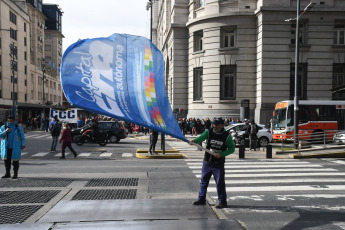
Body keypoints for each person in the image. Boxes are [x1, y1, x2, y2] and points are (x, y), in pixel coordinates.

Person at [189, 117, 235, 209]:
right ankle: (201, 199)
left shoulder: (227, 136)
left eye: (217, 124)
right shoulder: (209, 132)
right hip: (207, 161)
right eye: (214, 124)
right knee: (203, 181)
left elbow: (232, 149)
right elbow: (201, 138)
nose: (215, 126)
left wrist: (221, 154)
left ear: (222, 125)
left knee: (220, 183)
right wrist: (194, 141)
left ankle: (222, 202)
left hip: (218, 163)